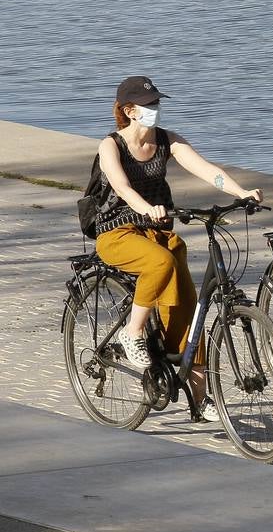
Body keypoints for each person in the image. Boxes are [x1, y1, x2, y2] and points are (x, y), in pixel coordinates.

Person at [94, 76, 262, 420]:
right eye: (149, 104)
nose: (155, 109)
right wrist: (144, 207)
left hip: (157, 232)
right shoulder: (110, 145)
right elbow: (122, 186)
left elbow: (205, 170)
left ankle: (200, 400)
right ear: (129, 110)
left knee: (189, 312)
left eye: (157, 103)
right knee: (159, 263)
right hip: (117, 232)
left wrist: (240, 192)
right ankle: (133, 332)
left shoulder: (167, 141)